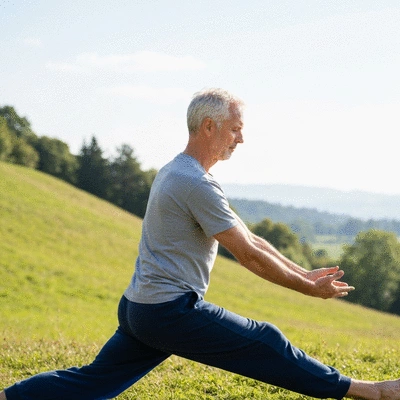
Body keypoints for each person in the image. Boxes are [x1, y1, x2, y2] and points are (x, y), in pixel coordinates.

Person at [1, 88, 399, 400]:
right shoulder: (193, 182)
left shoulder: (180, 171)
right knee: (265, 341)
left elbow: (252, 238)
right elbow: (246, 254)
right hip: (169, 312)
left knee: (90, 382)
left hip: (142, 308)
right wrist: (307, 288)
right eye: (235, 128)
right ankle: (371, 391)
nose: (241, 138)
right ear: (208, 126)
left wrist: (302, 272)